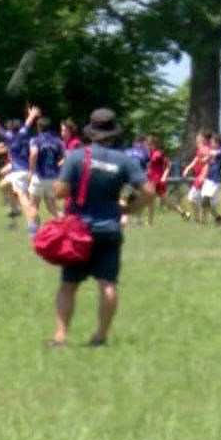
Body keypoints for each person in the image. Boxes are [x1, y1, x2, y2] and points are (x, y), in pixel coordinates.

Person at [49, 108, 148, 348]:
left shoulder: (76, 157)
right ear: (113, 132)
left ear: (91, 132)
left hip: (78, 231)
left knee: (68, 285)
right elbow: (149, 191)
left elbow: (60, 191)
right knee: (107, 284)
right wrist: (128, 210)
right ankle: (101, 336)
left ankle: (61, 336)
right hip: (109, 229)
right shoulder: (123, 160)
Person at [0, 104, 41, 230]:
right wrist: (32, 115)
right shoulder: (23, 133)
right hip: (27, 171)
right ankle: (16, 209)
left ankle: (32, 223)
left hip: (18, 172)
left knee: (24, 199)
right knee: (4, 185)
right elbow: (28, 124)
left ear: (10, 129)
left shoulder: (9, 137)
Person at [28, 117, 66, 225]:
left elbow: (34, 154)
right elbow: (65, 157)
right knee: (52, 207)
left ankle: (34, 231)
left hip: (39, 177)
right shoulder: (58, 141)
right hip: (53, 178)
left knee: (33, 206)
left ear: (38, 127)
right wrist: (57, 167)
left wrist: (30, 171)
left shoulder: (35, 140)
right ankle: (66, 225)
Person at [143, 136, 171, 225]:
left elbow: (169, 165)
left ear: (152, 144)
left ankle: (149, 222)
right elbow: (153, 167)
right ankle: (184, 213)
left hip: (158, 180)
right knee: (161, 201)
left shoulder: (158, 154)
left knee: (152, 200)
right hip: (152, 180)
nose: (146, 147)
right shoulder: (151, 153)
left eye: (147, 145)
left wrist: (164, 176)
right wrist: (148, 172)